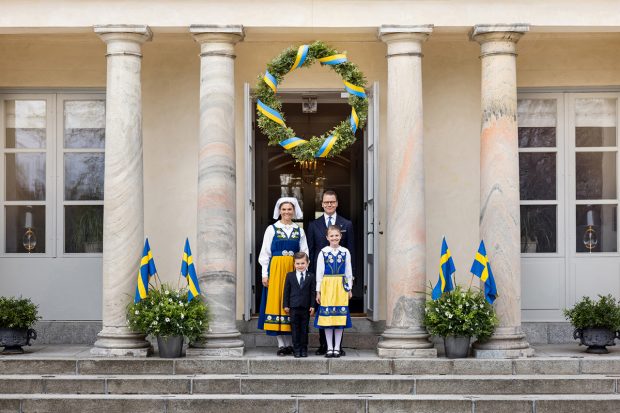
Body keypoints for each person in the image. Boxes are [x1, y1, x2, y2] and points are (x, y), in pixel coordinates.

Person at [257, 197, 309, 356]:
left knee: (292, 302)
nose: (287, 212)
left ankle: (293, 343)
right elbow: (265, 253)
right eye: (284, 209)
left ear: (294, 211)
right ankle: (281, 344)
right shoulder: (271, 229)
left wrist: (303, 273)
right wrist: (264, 274)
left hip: (294, 270)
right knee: (278, 302)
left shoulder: (299, 230)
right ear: (279, 211)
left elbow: (305, 252)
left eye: (289, 209)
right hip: (277, 269)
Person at [307, 189, 354, 355]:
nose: (329, 205)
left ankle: (337, 346)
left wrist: (350, 284)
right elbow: (311, 252)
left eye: (332, 202)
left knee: (339, 312)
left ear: (337, 203)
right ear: (322, 204)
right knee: (324, 311)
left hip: (340, 280)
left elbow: (351, 254)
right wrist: (314, 281)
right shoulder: (313, 225)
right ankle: (324, 345)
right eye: (326, 202)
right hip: (323, 279)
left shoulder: (346, 224)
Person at [315, 225, 353, 358]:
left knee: (339, 318)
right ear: (327, 237)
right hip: (327, 285)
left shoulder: (345, 252)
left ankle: (337, 347)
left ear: (340, 236)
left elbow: (348, 271)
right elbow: (319, 273)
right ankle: (329, 348)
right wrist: (318, 291)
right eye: (331, 236)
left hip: (341, 286)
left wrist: (349, 288)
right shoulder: (323, 252)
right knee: (328, 318)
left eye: (336, 235)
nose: (334, 238)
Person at [283, 252, 316, 358]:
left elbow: (312, 292)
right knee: (295, 329)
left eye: (302, 263)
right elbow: (286, 291)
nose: (300, 266)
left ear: (307, 263)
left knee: (304, 329)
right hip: (293, 307)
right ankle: (296, 349)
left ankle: (304, 349)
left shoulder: (311, 276)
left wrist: (312, 305)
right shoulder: (290, 275)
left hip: (306, 307)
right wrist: (286, 305)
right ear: (294, 264)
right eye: (298, 263)